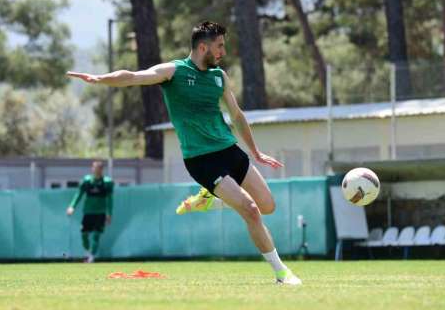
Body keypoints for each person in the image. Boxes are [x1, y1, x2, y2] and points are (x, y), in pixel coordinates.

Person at [67, 21, 301, 285]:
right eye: (220, 46)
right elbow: (133, 76)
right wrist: (101, 79)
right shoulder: (174, 71)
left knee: (267, 206)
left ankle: (212, 198)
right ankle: (282, 273)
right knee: (251, 211)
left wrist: (255, 152)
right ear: (203, 47)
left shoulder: (219, 76)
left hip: (230, 151)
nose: (224, 51)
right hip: (202, 160)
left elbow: (236, 115)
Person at [66, 160, 114, 263]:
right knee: (84, 234)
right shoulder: (87, 181)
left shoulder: (107, 183)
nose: (96, 170)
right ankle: (87, 253)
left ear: (102, 170)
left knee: (96, 235)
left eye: (99, 168)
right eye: (95, 168)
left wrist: (109, 213)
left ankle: (91, 256)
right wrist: (72, 206)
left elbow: (110, 199)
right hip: (88, 212)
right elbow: (79, 194)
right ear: (92, 169)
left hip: (100, 213)